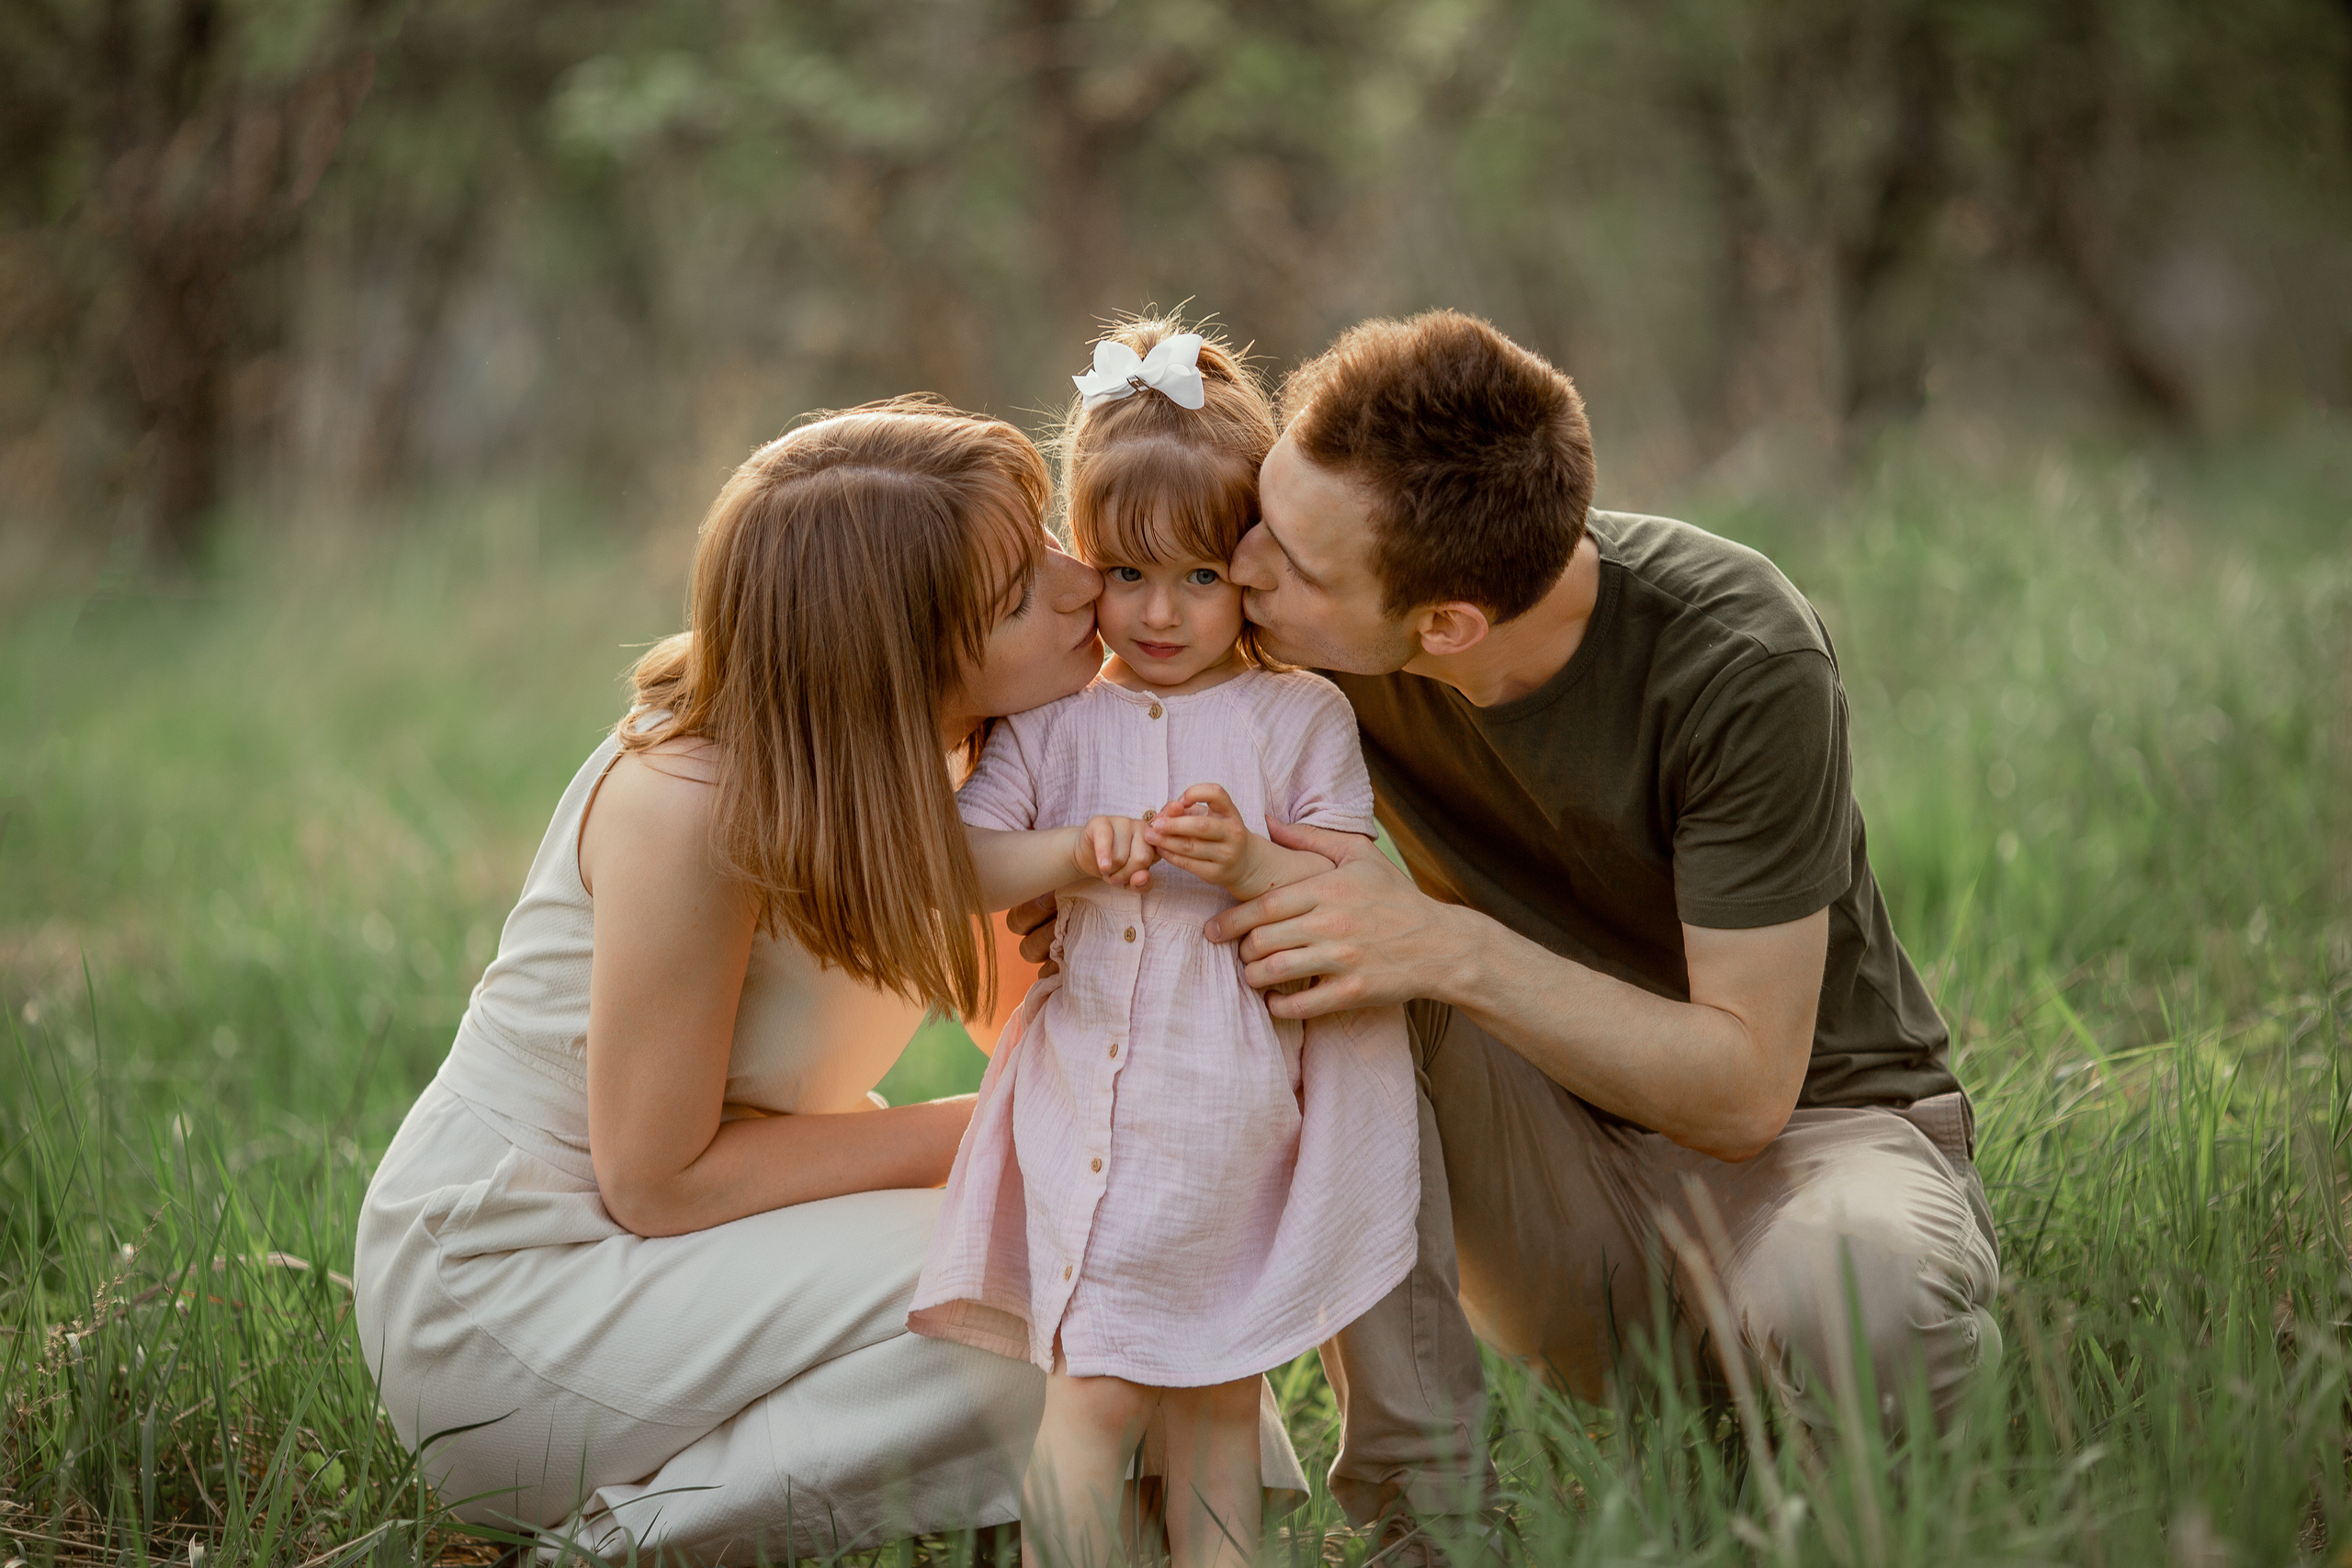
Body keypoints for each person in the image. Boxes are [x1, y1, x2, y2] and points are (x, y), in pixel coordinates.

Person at [1011, 310, 2004, 1541]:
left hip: (1805, 1153)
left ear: (1447, 628)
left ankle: (1828, 1450)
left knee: (1865, 1290)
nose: (1248, 567)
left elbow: (1749, 1090)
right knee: (1326, 949)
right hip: (1551, 1181)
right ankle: (1426, 1515)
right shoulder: (1290, 630)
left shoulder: (1734, 656)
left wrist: (1450, 944)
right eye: (1265, 516)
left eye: (1296, 564)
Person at [351, 397, 1307, 1563]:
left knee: (1121, 1267)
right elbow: (658, 1181)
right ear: (892, 659)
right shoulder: (695, 805)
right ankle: (623, 1538)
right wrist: (1002, 1134)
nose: (1079, 588)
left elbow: (1021, 1016)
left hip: (707, 1242)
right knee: (1066, 1293)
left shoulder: (972, 744)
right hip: (521, 1291)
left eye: (1051, 539)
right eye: (1019, 597)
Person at [908, 321, 1419, 1568]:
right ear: (1086, 560)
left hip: (1238, 1103)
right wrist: (1079, 850)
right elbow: (963, 865)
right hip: (1095, 1106)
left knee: (1219, 1392)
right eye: (1127, 574)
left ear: (1249, 562)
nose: (1161, 611)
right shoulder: (1051, 727)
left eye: (1199, 576)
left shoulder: (1296, 715)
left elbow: (1357, 871)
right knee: (1091, 1384)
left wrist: (1253, 860)